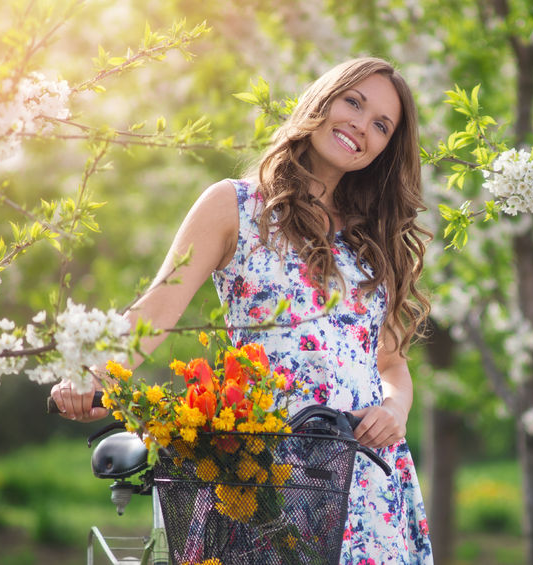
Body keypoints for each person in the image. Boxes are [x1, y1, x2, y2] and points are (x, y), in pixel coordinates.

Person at [50, 56, 434, 563]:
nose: (361, 126)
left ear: (385, 148)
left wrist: (394, 409)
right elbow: (154, 315)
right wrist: (91, 374)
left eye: (381, 125)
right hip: (263, 476)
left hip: (365, 483)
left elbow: (388, 365)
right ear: (323, 99)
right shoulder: (236, 207)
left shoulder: (371, 240)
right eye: (354, 102)